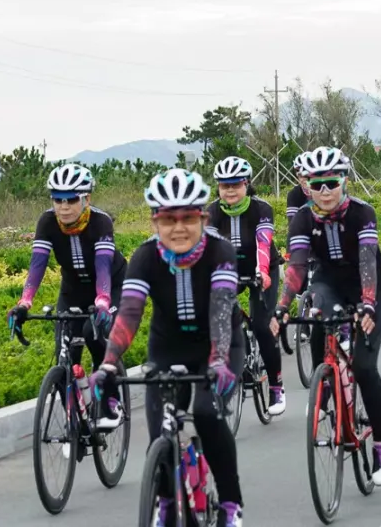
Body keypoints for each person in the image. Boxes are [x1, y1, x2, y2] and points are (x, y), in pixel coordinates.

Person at [92, 169, 245, 526]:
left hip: (219, 345)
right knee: (160, 432)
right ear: (154, 221)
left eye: (188, 217)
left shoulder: (220, 251)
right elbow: (129, 314)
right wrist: (110, 362)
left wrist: (219, 361)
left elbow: (222, 313)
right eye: (168, 219)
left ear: (202, 218)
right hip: (167, 347)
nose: (179, 227)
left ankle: (230, 504)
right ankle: (164, 504)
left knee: (207, 415)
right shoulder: (145, 257)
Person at [271, 146, 381, 486]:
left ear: (344, 181)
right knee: (313, 311)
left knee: (365, 367)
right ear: (307, 186)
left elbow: (368, 260)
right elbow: (297, 268)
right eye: (317, 184)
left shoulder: (362, 213)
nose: (324, 191)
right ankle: (324, 382)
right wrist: (282, 306)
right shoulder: (302, 217)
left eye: (331, 183)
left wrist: (368, 303)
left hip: (367, 286)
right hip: (328, 282)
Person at [7, 164, 127, 429]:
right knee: (65, 352)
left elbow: (103, 268)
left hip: (111, 284)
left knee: (94, 334)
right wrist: (24, 303)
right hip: (72, 289)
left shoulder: (100, 222)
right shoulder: (47, 222)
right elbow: (37, 265)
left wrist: (103, 302)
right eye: (57, 199)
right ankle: (76, 417)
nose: (64, 206)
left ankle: (111, 401)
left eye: (71, 199)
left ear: (87, 199)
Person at [207, 156, 286, 416]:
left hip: (261, 270)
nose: (229, 190)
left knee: (262, 326)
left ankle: (275, 385)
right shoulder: (213, 212)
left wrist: (262, 272)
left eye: (235, 184)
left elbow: (263, 242)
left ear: (247, 184)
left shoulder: (261, 209)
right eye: (224, 185)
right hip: (230, 271)